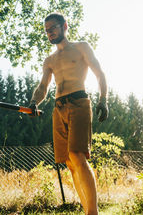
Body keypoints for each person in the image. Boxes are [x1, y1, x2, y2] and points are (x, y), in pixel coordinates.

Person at [29, 12, 108, 215]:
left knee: (77, 154)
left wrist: (103, 100)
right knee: (69, 162)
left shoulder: (82, 47)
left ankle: (93, 213)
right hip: (59, 108)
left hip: (79, 102)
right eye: (46, 30)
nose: (49, 33)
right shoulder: (49, 60)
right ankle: (86, 210)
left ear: (65, 26)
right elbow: (42, 87)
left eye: (53, 28)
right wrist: (33, 102)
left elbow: (100, 73)